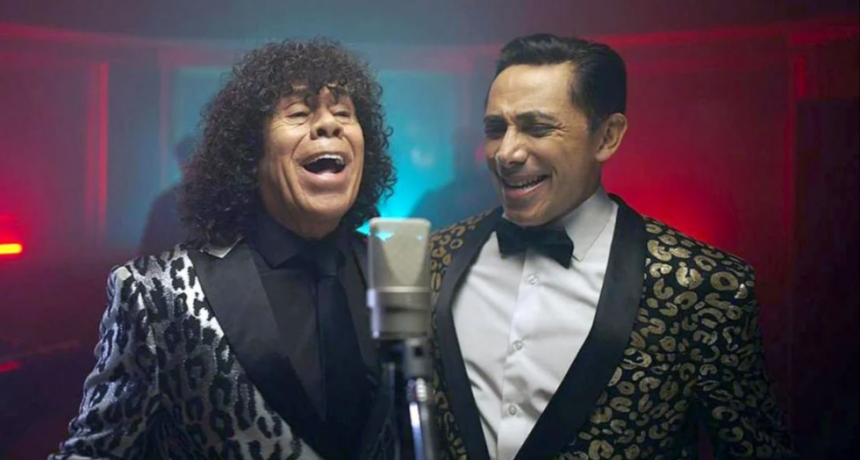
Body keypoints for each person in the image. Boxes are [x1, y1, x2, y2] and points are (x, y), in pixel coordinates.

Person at [429, 34, 795, 459]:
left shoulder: (703, 287)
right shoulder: (436, 258)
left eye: (537, 127)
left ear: (606, 137)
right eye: (496, 129)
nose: (506, 153)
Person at [51, 38, 397, 460]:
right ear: (251, 152)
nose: (330, 125)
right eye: (298, 113)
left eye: (344, 113)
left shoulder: (401, 273)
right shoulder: (157, 293)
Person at [410, 126, 497, 231]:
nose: (463, 159)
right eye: (459, 153)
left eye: (468, 152)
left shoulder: (499, 196)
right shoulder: (433, 202)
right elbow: (407, 232)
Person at [138, 135, 197, 256]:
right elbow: (150, 250)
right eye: (186, 161)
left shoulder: (164, 203)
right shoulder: (165, 204)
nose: (190, 167)